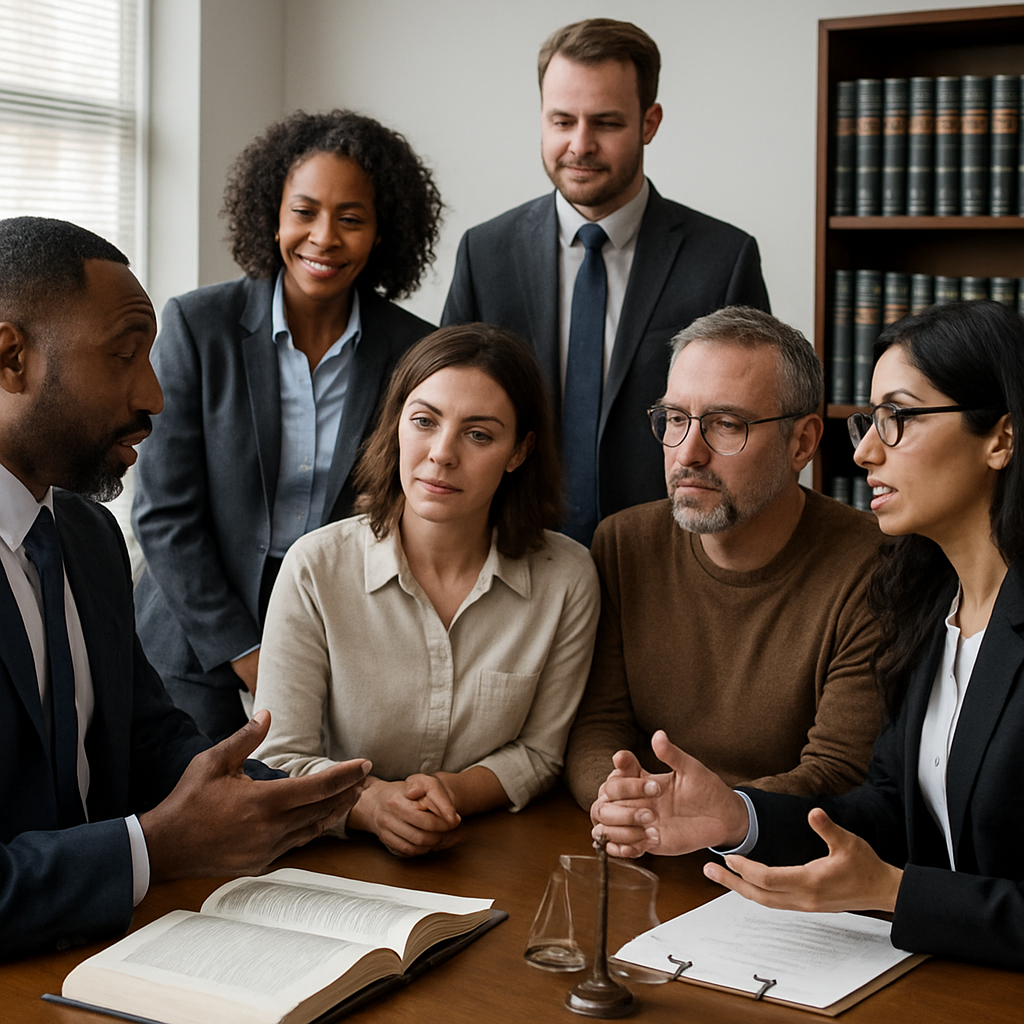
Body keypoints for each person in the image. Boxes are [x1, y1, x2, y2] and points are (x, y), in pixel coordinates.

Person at [593, 300, 1023, 970]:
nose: (864, 451)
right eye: (870, 420)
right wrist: (737, 819)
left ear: (1001, 437)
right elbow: (884, 808)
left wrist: (897, 891)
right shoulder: (930, 602)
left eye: (899, 419)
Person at [0, 217, 370, 960]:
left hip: (124, 950)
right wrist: (152, 848)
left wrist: (306, 801)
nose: (156, 395)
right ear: (11, 357)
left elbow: (145, 738)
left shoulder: (88, 533)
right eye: (125, 355)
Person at [133, 110, 440, 742]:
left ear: (383, 232)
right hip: (195, 636)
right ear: (273, 213)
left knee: (315, 823)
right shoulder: (198, 326)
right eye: (304, 212)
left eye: (350, 218)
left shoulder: (416, 350)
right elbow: (164, 513)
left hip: (343, 634)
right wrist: (245, 652)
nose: (323, 237)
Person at [254, 324, 600, 857]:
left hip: (485, 851)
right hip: (326, 855)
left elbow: (539, 752)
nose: (441, 454)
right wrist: (371, 806)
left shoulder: (568, 577)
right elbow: (279, 757)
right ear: (396, 425)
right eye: (423, 422)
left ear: (519, 451)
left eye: (479, 434)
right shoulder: (315, 567)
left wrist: (449, 791)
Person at [442, 18, 770, 544]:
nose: (580, 144)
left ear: (650, 122)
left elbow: (754, 430)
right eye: (561, 120)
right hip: (511, 555)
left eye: (606, 123)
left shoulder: (724, 259)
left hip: (668, 562)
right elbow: (447, 412)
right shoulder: (485, 252)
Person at [566, 306, 884, 812]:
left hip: (780, 861)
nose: (687, 452)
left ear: (802, 442)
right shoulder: (623, 543)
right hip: (642, 843)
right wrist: (615, 796)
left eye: (726, 425)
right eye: (674, 419)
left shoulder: (874, 562)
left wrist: (705, 816)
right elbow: (599, 724)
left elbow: (840, 771)